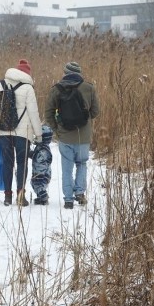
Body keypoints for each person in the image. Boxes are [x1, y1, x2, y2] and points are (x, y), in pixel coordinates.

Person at [44, 61, 101, 209]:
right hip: (83, 136)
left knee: (67, 168)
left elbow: (48, 113)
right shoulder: (89, 88)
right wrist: (83, 119)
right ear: (79, 73)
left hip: (65, 136)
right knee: (81, 164)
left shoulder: (57, 89)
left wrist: (57, 129)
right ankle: (80, 194)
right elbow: (95, 112)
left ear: (65, 72)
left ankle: (68, 200)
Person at [0, 59, 43, 206]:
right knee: (22, 162)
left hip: (2, 131)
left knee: (7, 162)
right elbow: (33, 113)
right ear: (27, 74)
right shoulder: (28, 89)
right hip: (22, 133)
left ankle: (7, 196)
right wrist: (39, 134)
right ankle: (20, 195)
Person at [30, 125, 54, 205]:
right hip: (42, 173)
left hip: (41, 174)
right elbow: (35, 156)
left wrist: (39, 175)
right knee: (35, 184)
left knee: (38, 184)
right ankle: (41, 198)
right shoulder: (41, 147)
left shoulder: (43, 151)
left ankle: (44, 198)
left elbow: (40, 163)